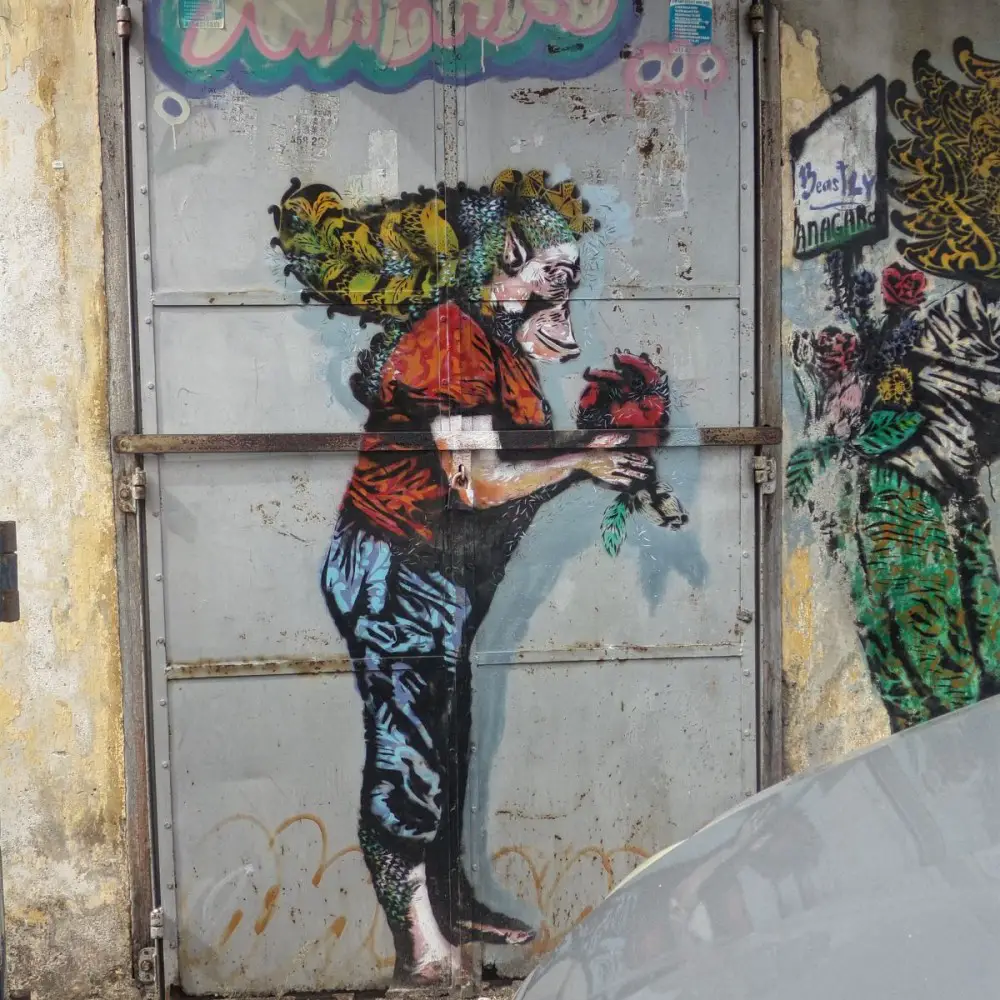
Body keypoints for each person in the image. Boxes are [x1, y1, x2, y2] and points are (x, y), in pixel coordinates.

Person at [271, 170, 652, 980]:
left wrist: (584, 447)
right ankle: (423, 950)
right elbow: (476, 483)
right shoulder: (450, 341)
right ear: (507, 255)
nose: (567, 286)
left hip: (434, 575)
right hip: (396, 568)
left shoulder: (493, 340)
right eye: (554, 270)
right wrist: (579, 462)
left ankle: (446, 900)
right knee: (410, 754)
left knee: (443, 746)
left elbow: (503, 460)